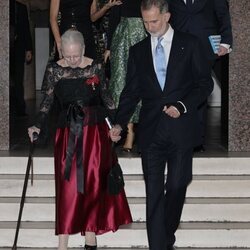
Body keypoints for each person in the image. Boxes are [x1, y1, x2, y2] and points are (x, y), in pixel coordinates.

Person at [109, 0, 213, 249]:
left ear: (167, 16)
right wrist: (119, 124)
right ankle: (158, 245)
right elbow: (131, 93)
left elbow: (204, 84)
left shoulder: (190, 44)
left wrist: (182, 105)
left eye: (154, 21)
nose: (149, 26)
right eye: (145, 22)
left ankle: (166, 233)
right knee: (154, 193)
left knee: (177, 184)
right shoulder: (138, 50)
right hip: (151, 130)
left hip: (181, 128)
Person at [28, 29, 132, 250]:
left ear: (83, 49)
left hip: (94, 135)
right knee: (67, 188)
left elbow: (107, 98)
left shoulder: (95, 67)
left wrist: (115, 125)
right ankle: (62, 244)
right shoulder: (55, 70)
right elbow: (46, 102)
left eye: (76, 55)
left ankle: (90, 239)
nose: (72, 61)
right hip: (67, 135)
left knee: (93, 186)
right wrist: (37, 124)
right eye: (67, 55)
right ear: (61, 51)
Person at [168, 0, 233, 152]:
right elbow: (165, 14)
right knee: (181, 90)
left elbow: (223, 14)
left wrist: (226, 41)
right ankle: (181, 137)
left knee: (200, 91)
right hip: (179, 46)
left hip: (206, 47)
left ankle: (197, 140)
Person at [104, 0, 147, 152]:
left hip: (144, 32)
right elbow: (115, 14)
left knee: (142, 83)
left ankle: (140, 131)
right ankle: (128, 131)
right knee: (120, 83)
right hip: (121, 36)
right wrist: (109, 47)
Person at [11, 0, 32, 116]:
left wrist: (29, 49)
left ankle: (20, 109)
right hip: (4, 48)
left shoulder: (21, 7)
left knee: (18, 79)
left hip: (18, 47)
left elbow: (25, 29)